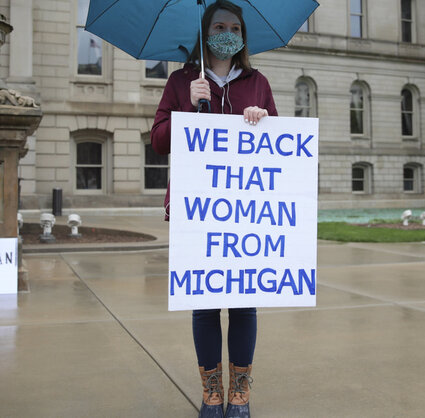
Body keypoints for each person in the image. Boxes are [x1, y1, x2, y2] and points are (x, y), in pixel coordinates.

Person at [150, 2, 277, 417]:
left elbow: (278, 146)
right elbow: (159, 141)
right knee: (205, 305)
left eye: (234, 26)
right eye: (219, 25)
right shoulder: (181, 79)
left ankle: (240, 394)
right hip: (198, 208)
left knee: (243, 304)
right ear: (205, 33)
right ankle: (212, 393)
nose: (227, 31)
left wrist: (262, 120)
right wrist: (188, 106)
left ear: (242, 35)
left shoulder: (258, 82)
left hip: (245, 211)